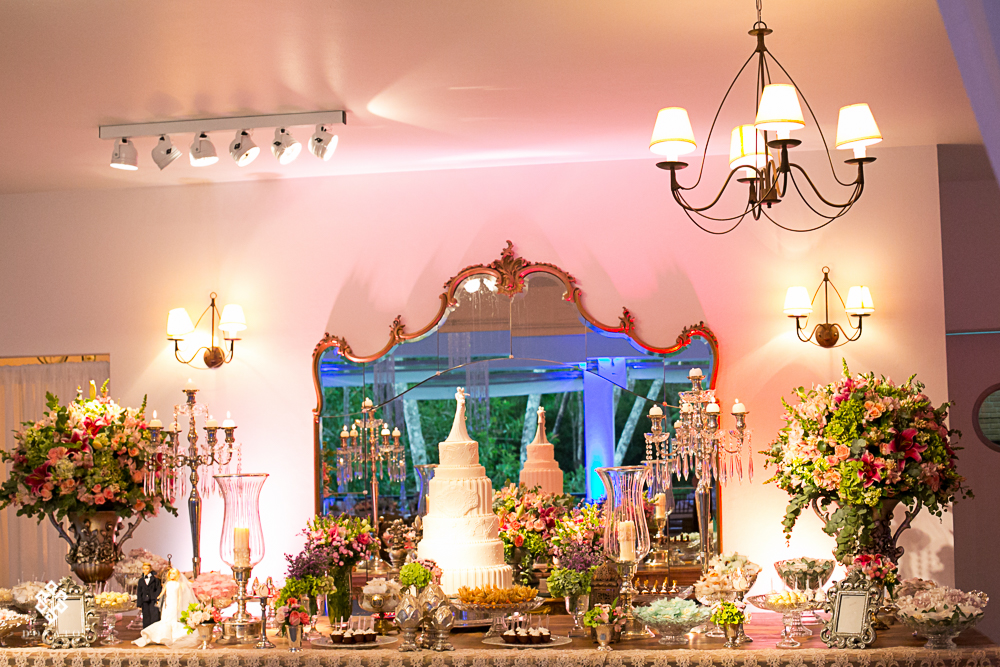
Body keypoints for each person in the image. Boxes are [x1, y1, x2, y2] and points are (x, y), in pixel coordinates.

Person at [133, 568, 199, 647]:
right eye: (170, 574)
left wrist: (178, 605)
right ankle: (162, 635)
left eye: (174, 574)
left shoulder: (178, 584)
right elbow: (163, 592)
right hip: (167, 603)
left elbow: (179, 596)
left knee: (173, 618)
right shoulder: (168, 584)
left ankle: (173, 636)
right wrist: (158, 597)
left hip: (174, 603)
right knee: (165, 617)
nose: (172, 575)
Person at [136, 563, 162, 629]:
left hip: (153, 600)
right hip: (145, 600)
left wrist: (157, 599)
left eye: (147, 569)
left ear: (150, 569)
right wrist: (139, 604)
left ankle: (155, 630)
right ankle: (146, 630)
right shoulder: (141, 580)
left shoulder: (155, 580)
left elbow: (158, 590)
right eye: (144, 569)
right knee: (146, 617)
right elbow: (139, 592)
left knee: (154, 616)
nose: (145, 570)